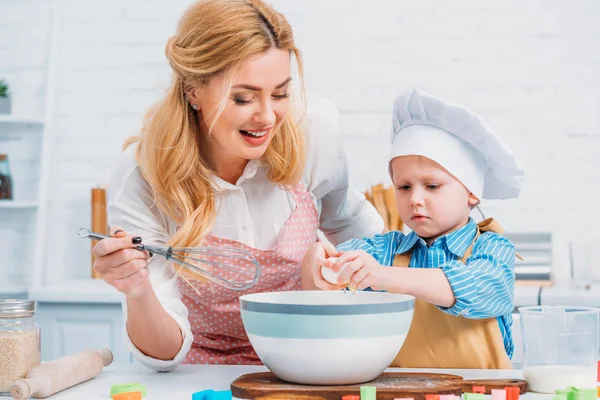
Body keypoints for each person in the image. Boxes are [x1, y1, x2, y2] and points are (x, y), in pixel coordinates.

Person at [92, 0, 383, 372]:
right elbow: (164, 355)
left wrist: (358, 273)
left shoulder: (311, 136)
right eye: (243, 98)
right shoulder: (144, 179)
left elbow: (350, 225)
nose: (267, 116)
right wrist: (137, 289)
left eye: (280, 94)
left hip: (307, 359)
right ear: (193, 91)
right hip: (196, 372)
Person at [305, 88, 524, 369]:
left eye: (432, 186)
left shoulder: (492, 248)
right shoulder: (384, 249)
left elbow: (479, 289)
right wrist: (318, 263)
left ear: (471, 192)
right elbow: (325, 288)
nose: (415, 199)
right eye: (404, 187)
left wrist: (383, 276)